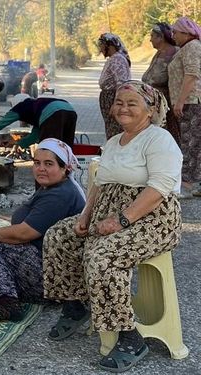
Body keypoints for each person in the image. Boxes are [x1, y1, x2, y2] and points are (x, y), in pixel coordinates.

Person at [43, 81, 181, 373]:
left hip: (152, 220)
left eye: (132, 103)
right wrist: (85, 215)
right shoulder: (115, 141)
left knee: (103, 256)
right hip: (108, 214)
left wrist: (121, 220)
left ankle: (130, 337)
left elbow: (159, 188)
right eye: (119, 102)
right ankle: (76, 303)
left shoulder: (159, 139)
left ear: (150, 108)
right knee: (59, 236)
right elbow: (100, 184)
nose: (123, 108)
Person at [0, 138, 85, 321]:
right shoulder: (52, 186)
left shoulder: (60, 195)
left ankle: (7, 304)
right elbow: (33, 220)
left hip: (56, 278)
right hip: (49, 265)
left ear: (64, 168)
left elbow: (24, 234)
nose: (40, 168)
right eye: (37, 163)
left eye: (48, 164)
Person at [168, 17, 201, 198]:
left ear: (186, 33)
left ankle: (187, 185)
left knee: (191, 144)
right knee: (193, 143)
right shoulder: (187, 48)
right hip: (189, 101)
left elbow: (191, 74)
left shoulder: (193, 46)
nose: (173, 35)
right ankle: (193, 183)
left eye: (175, 32)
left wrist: (180, 101)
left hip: (192, 102)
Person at [0, 94, 77, 149]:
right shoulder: (37, 108)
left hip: (54, 114)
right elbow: (34, 136)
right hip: (71, 111)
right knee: (66, 147)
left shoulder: (20, 108)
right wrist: (15, 142)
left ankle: (47, 185)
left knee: (49, 149)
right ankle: (67, 176)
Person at [142, 23, 179, 145]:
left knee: (168, 137)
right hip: (153, 103)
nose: (150, 39)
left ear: (161, 37)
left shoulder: (174, 53)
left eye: (152, 36)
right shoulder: (159, 53)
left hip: (166, 105)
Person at [97, 33, 131, 139]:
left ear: (110, 46)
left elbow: (122, 84)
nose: (100, 48)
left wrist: (116, 103)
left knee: (115, 131)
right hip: (109, 98)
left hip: (113, 98)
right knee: (111, 129)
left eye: (101, 45)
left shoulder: (118, 60)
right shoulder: (113, 58)